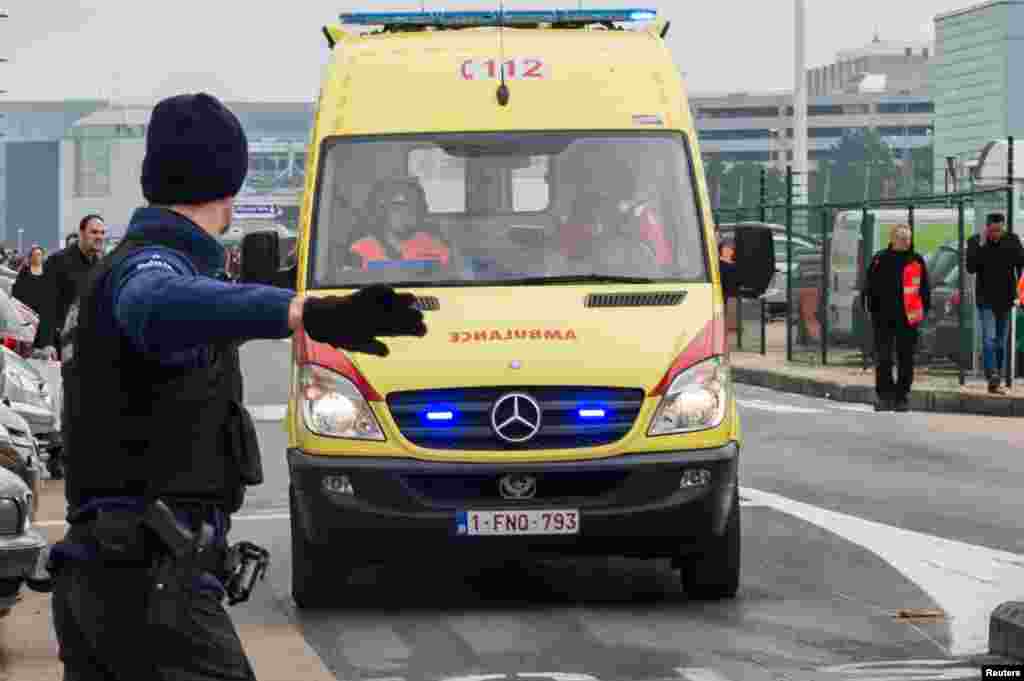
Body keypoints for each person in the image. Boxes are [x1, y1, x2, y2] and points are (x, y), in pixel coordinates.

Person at [45, 92, 427, 680]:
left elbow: (195, 321)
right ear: (229, 180)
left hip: (109, 583)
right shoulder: (148, 270)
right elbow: (157, 304)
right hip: (150, 591)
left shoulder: (122, 269)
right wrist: (306, 312)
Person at [862, 224, 931, 412]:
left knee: (906, 359)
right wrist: (868, 308)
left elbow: (924, 288)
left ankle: (902, 397)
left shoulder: (916, 260)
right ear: (892, 239)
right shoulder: (880, 259)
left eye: (908, 238)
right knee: (883, 358)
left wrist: (924, 310)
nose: (905, 241)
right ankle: (884, 396)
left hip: (908, 318)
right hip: (883, 318)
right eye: (901, 237)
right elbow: (868, 287)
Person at [965, 212, 1024, 394]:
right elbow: (971, 267)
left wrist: (1019, 291)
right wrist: (981, 246)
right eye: (993, 230)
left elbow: (1020, 264)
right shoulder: (976, 241)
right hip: (986, 299)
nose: (996, 234)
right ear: (987, 228)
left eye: (999, 230)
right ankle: (992, 375)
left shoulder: (1012, 240)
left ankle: (997, 376)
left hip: (1005, 299)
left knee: (1001, 341)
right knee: (989, 339)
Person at [37, 215, 106, 359]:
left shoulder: (101, 264)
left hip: (91, 344)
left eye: (102, 233)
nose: (99, 236)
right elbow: (47, 304)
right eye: (94, 232)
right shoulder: (58, 261)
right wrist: (46, 343)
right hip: (61, 345)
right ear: (81, 233)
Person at [348, 178, 450, 269]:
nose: (405, 214)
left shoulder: (436, 249)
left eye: (411, 207)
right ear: (383, 212)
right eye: (397, 208)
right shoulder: (361, 250)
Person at [11, 246, 51, 335]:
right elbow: (17, 291)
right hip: (27, 312)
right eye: (34, 255)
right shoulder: (24, 271)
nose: (37, 257)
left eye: (39, 254)